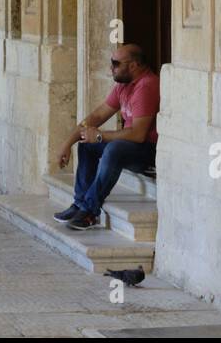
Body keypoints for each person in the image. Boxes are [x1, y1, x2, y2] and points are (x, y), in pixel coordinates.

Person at [52, 43, 159, 231]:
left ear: (133, 65)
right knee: (86, 144)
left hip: (148, 150)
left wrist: (100, 136)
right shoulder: (123, 86)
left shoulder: (146, 86)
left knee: (113, 148)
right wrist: (67, 143)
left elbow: (138, 134)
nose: (111, 68)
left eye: (115, 63)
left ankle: (89, 211)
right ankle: (79, 203)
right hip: (131, 144)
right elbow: (97, 116)